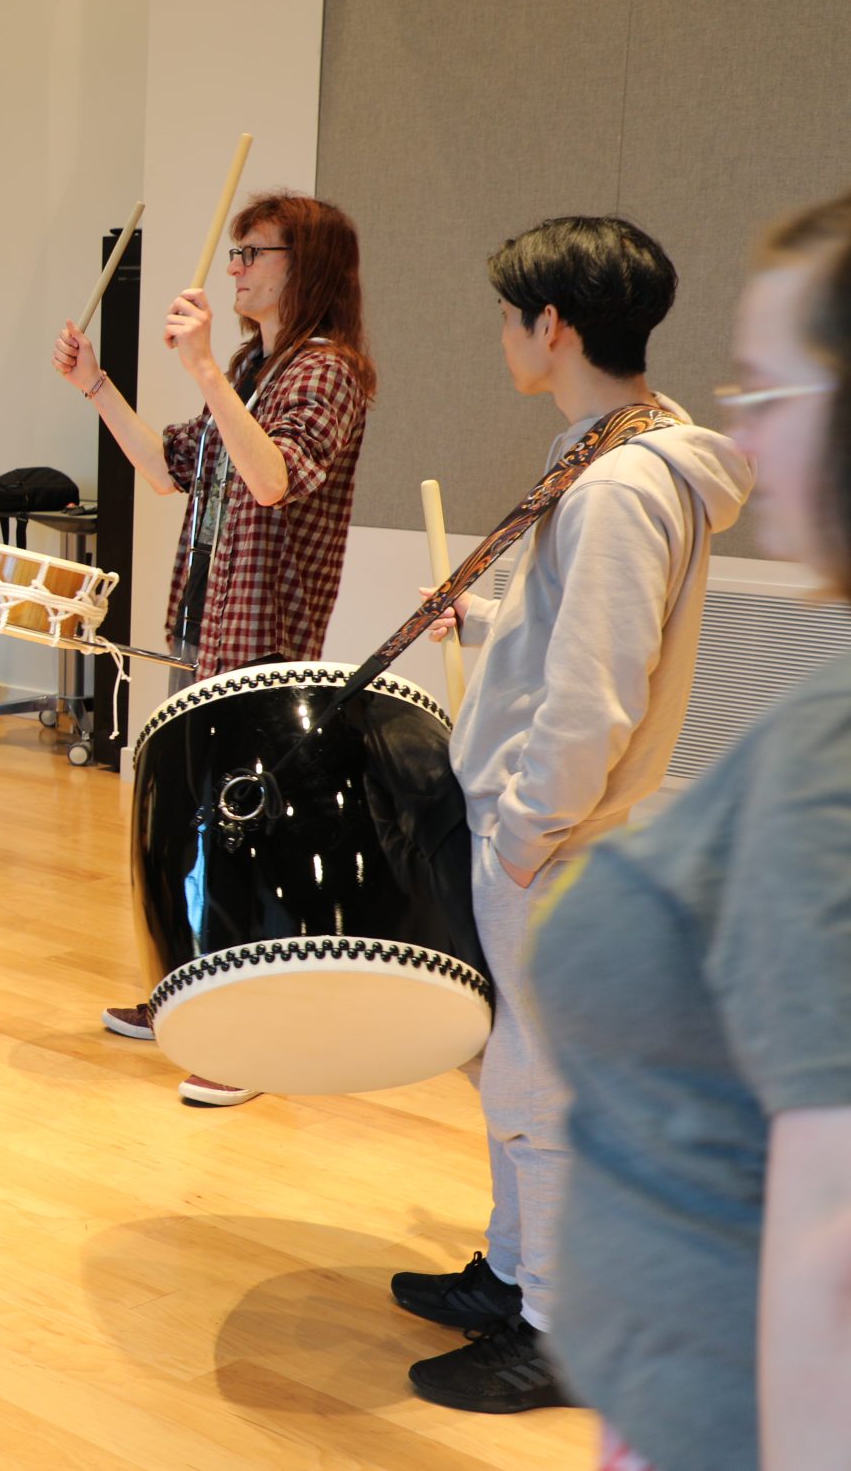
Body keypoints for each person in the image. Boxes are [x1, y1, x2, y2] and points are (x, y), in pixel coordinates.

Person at [506, 196, 851, 1471]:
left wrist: (522, 830)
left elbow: (832, 1249)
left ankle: (533, 1316)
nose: (741, 433)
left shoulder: (830, 759)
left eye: (766, 390)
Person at [387, 216, 750, 1415]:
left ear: (553, 325)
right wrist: (489, 629)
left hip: (552, 837)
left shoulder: (621, 485)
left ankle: (555, 1329)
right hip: (547, 829)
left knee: (537, 1087)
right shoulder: (614, 450)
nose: (501, 335)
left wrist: (523, 834)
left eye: (509, 316)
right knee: (512, 1071)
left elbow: (594, 700)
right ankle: (511, 1272)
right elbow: (578, 640)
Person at [55, 193, 376, 1106]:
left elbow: (272, 479)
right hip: (209, 625)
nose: (233, 269)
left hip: (266, 638)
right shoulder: (252, 366)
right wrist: (97, 386)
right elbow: (168, 469)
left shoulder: (328, 372)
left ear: (303, 265)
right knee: (201, 828)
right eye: (233, 254)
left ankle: (247, 1041)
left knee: (248, 833)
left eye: (251, 253)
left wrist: (201, 368)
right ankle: (191, 999)